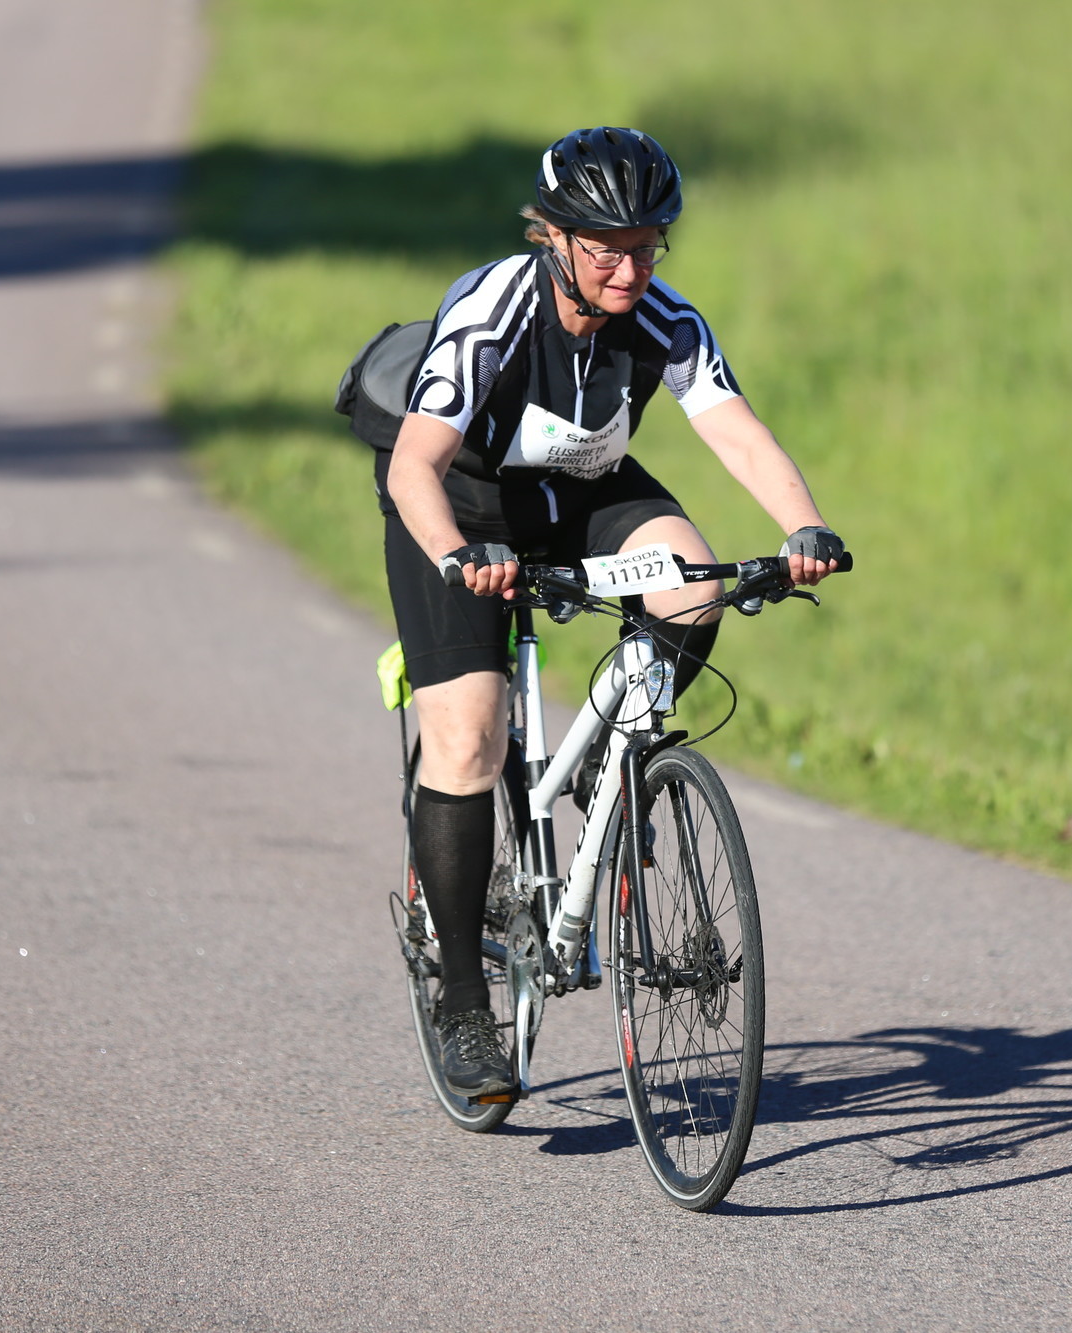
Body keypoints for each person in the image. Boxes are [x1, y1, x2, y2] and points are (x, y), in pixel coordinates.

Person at [385, 126, 843, 1096]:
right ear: (552, 236)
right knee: (468, 737)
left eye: (646, 247)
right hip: (465, 505)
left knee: (695, 582)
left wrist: (802, 526)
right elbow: (413, 462)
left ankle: (611, 756)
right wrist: (458, 554)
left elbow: (737, 433)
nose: (630, 270)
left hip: (580, 491)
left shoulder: (665, 318)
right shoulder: (495, 308)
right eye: (606, 250)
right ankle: (463, 1003)